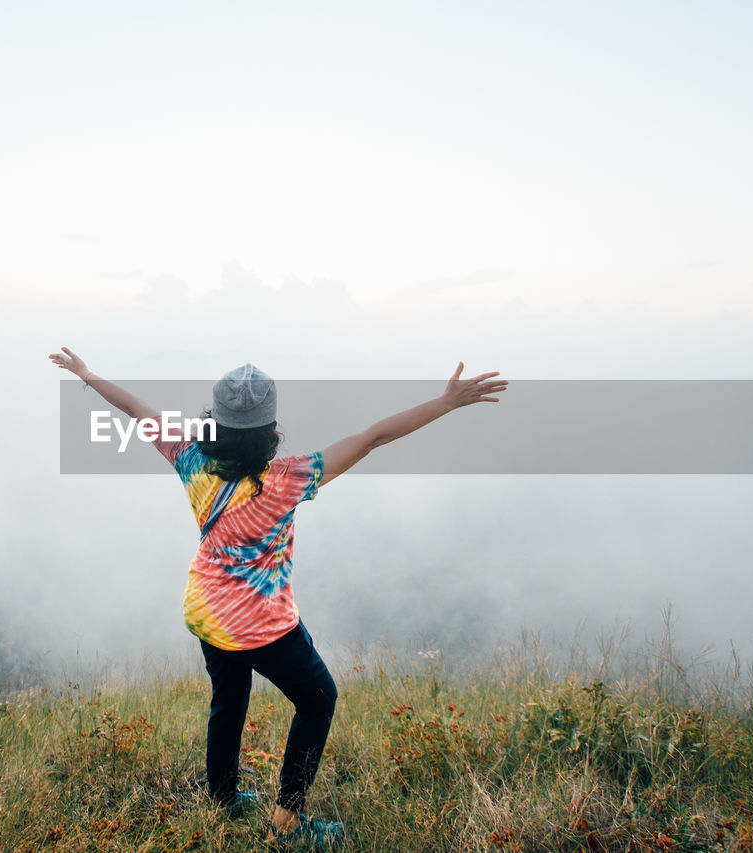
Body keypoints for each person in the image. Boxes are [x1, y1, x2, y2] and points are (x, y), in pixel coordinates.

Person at [49, 347, 507, 848]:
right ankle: (286, 825)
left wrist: (87, 375)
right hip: (262, 626)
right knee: (318, 700)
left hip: (206, 610)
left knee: (229, 700)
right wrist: (446, 403)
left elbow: (137, 411)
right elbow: (373, 438)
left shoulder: (190, 456)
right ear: (270, 430)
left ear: (215, 424)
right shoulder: (290, 478)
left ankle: (222, 798)